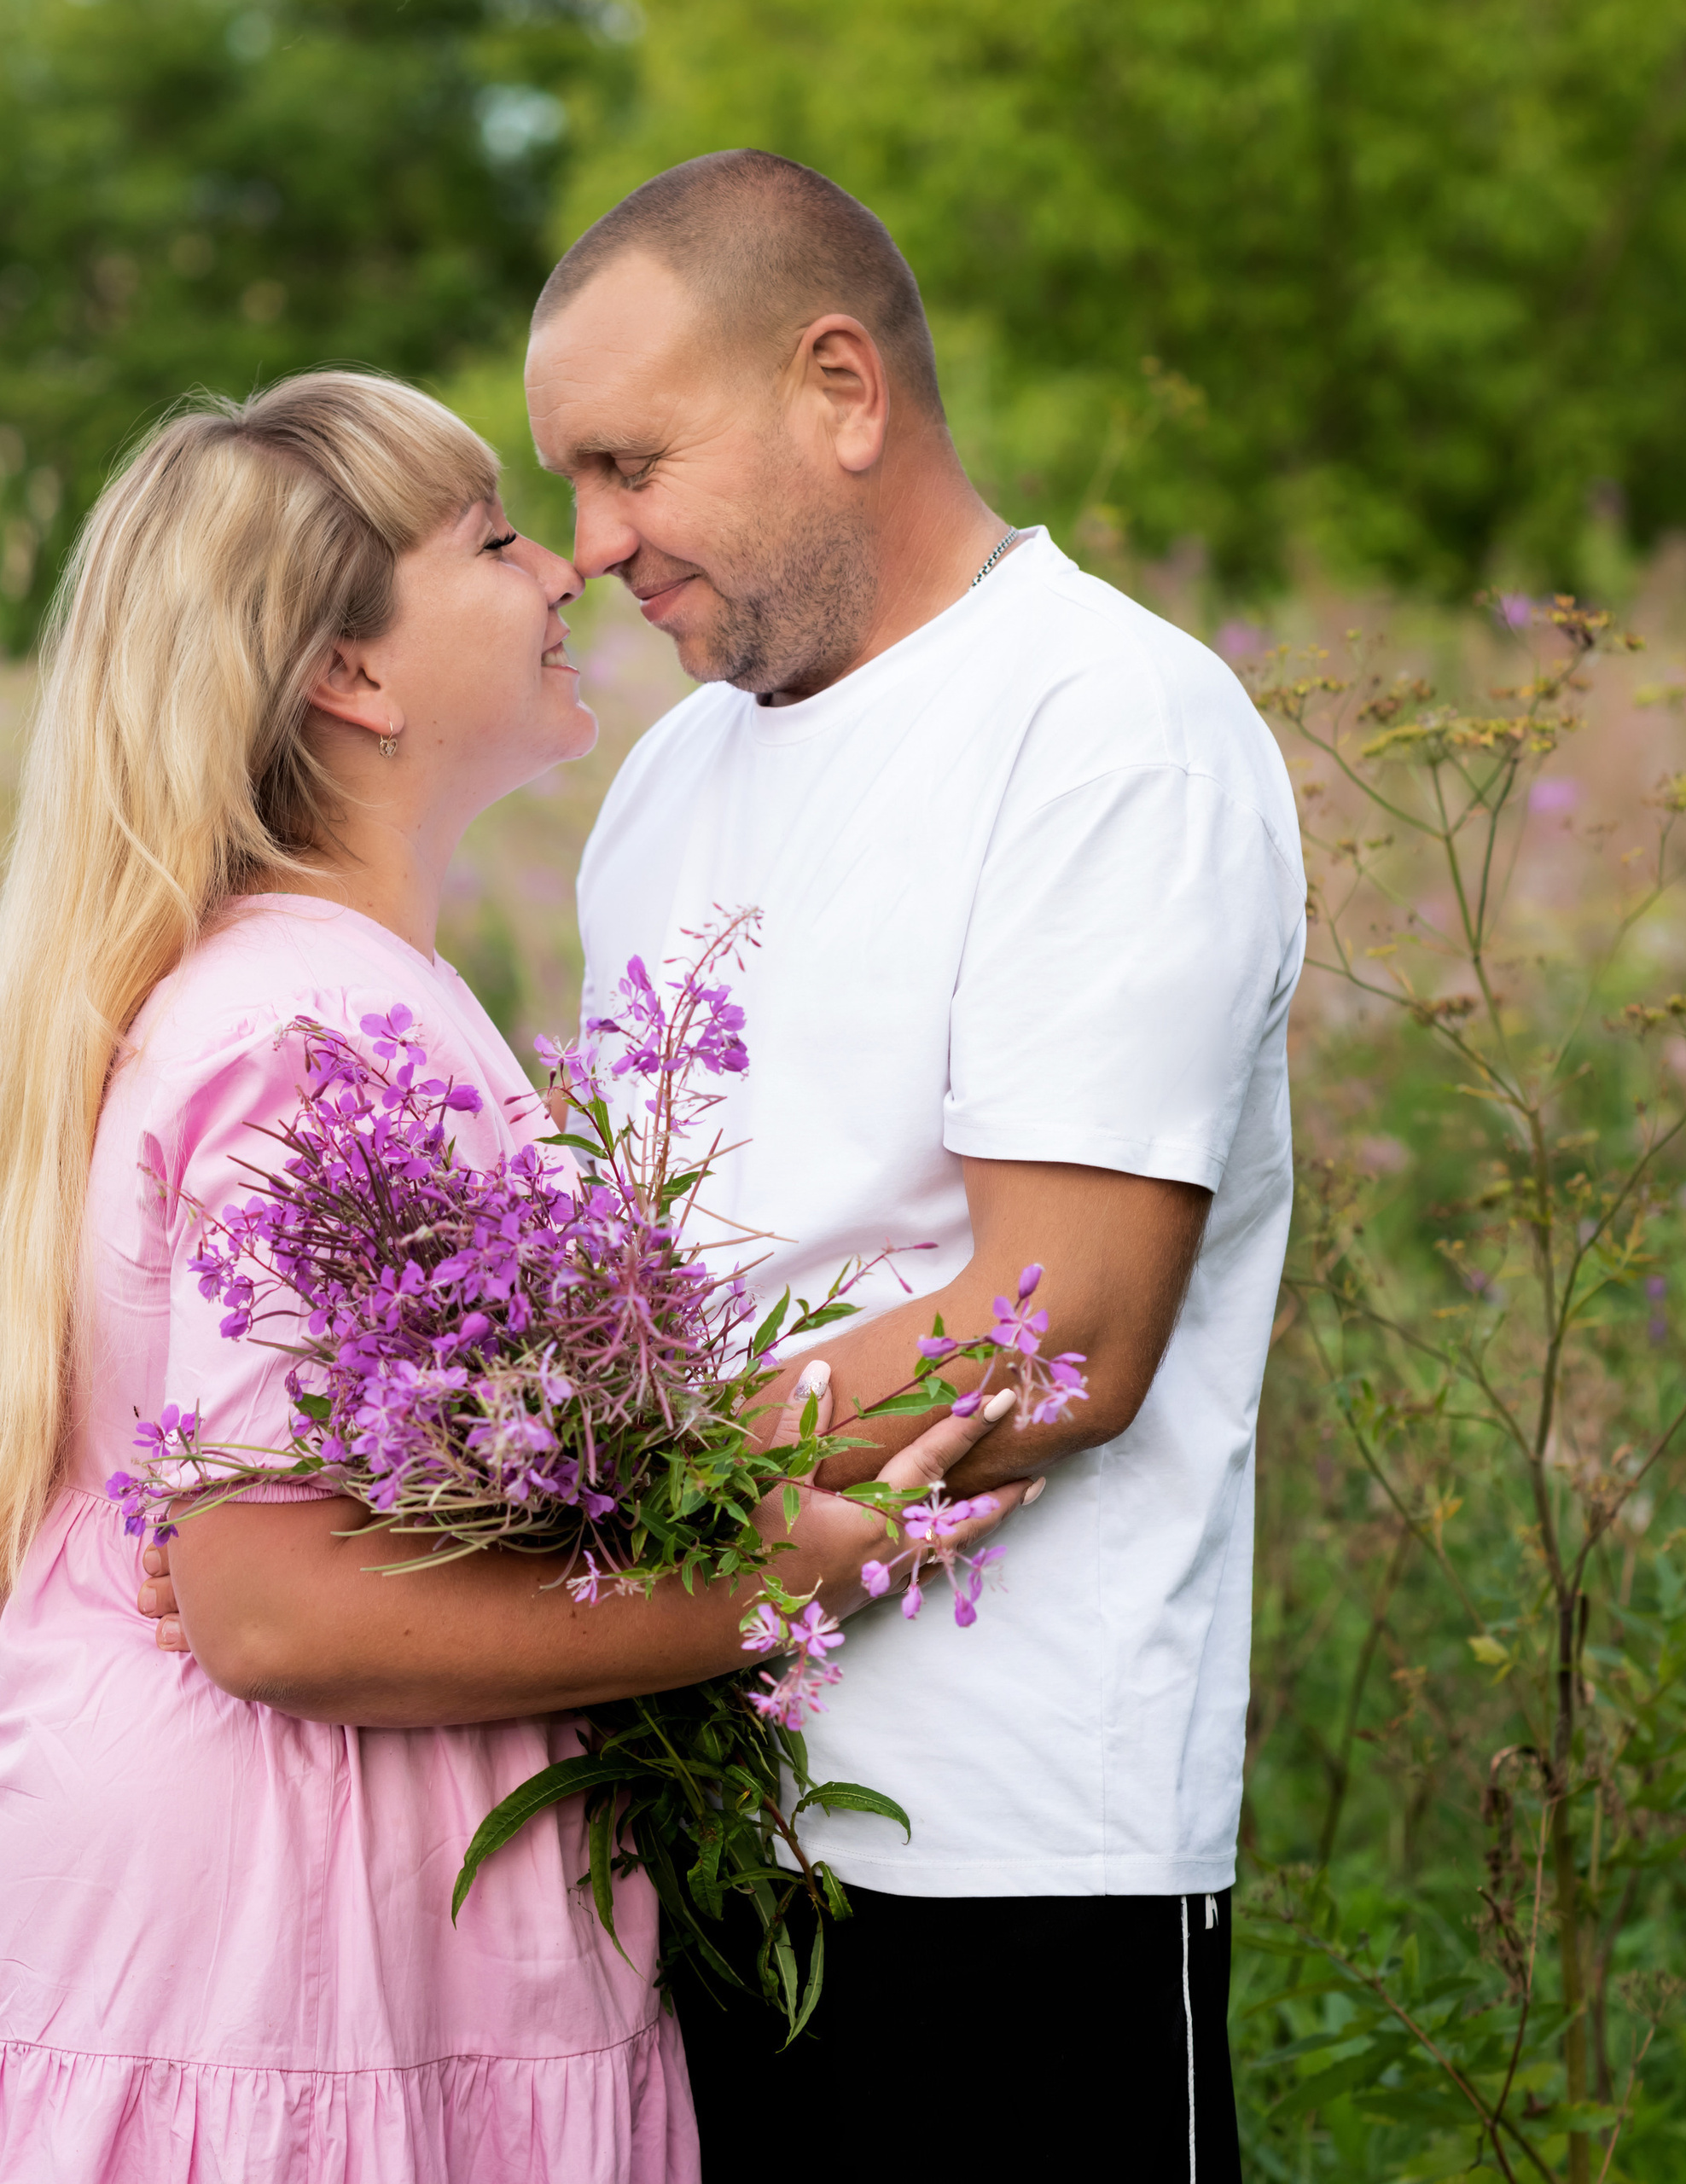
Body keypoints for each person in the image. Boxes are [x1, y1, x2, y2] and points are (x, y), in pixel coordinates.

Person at [0, 370, 1030, 2184]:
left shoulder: (302, 988)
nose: (565, 564)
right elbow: (274, 1608)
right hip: (271, 1964)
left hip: (246, 1934)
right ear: (353, 677)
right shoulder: (317, 1024)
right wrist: (775, 1575)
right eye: (487, 537)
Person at [520, 151, 1305, 2180]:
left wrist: (575, 1501)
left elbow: (1064, 1332)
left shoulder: (1104, 723)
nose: (590, 543)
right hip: (689, 1812)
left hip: (1013, 1847)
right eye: (569, 482)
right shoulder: (669, 772)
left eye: (628, 464)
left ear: (840, 388)